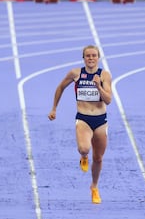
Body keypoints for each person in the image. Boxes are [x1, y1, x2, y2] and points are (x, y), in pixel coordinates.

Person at [48, 45, 112, 204]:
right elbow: (60, 87)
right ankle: (83, 156)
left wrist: (98, 86)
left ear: (98, 57)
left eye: (94, 56)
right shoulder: (76, 73)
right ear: (83, 58)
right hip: (83, 118)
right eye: (88, 56)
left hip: (100, 120)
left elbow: (108, 100)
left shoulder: (104, 75)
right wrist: (54, 108)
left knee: (98, 158)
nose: (91, 58)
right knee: (84, 148)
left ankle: (94, 187)